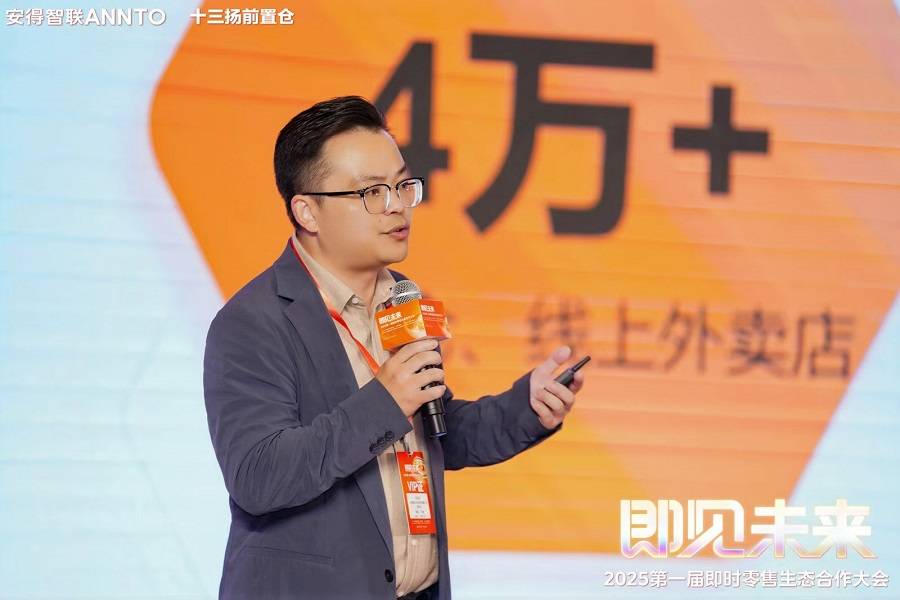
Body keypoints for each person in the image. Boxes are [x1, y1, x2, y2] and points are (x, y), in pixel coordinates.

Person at [203, 95, 585, 600]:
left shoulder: (403, 298)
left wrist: (527, 408)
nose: (397, 206)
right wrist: (385, 401)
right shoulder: (253, 322)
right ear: (307, 211)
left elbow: (438, 433)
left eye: (403, 185)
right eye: (371, 192)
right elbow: (259, 477)